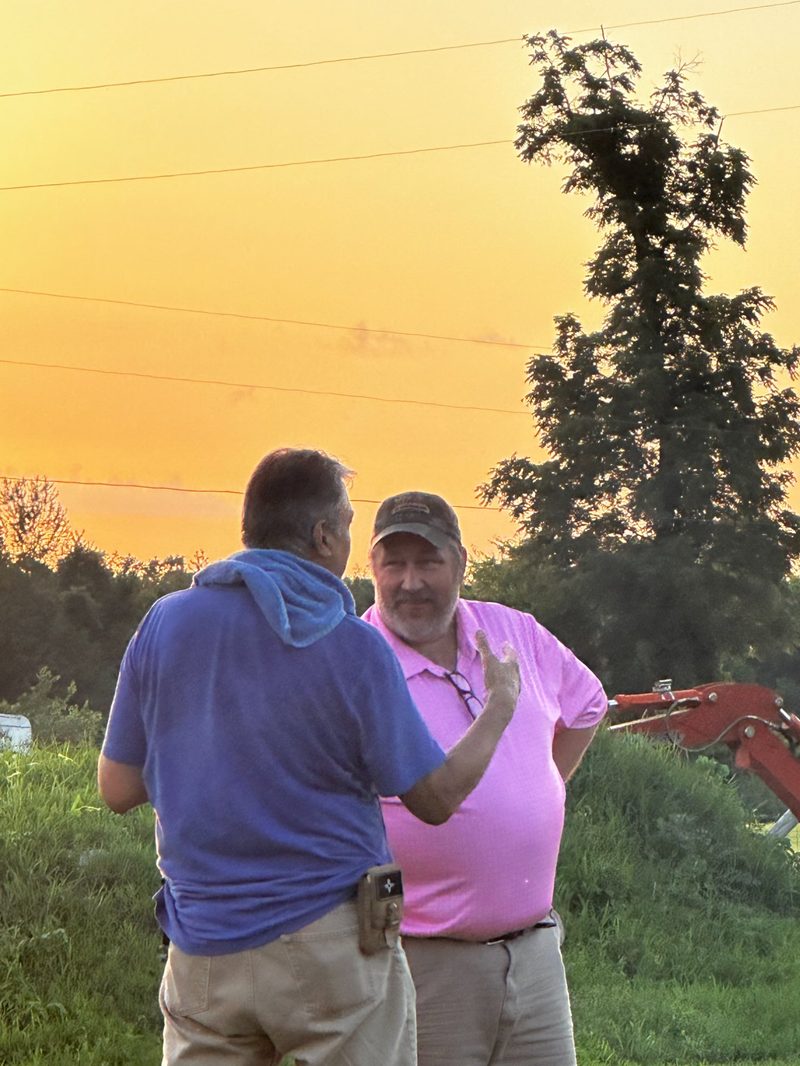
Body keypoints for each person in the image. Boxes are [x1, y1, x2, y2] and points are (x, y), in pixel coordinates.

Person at [97, 449, 521, 1066]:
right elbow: (435, 798)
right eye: (348, 525)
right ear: (324, 536)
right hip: (330, 945)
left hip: (203, 947)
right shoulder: (353, 648)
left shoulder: (165, 623)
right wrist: (500, 704)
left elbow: (117, 787)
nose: (348, 540)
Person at [363, 490, 607, 1066]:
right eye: (393, 564)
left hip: (535, 951)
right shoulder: (357, 656)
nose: (410, 582)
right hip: (420, 959)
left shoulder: (512, 632)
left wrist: (540, 789)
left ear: (461, 564)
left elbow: (588, 705)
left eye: (428, 562)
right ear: (371, 569)